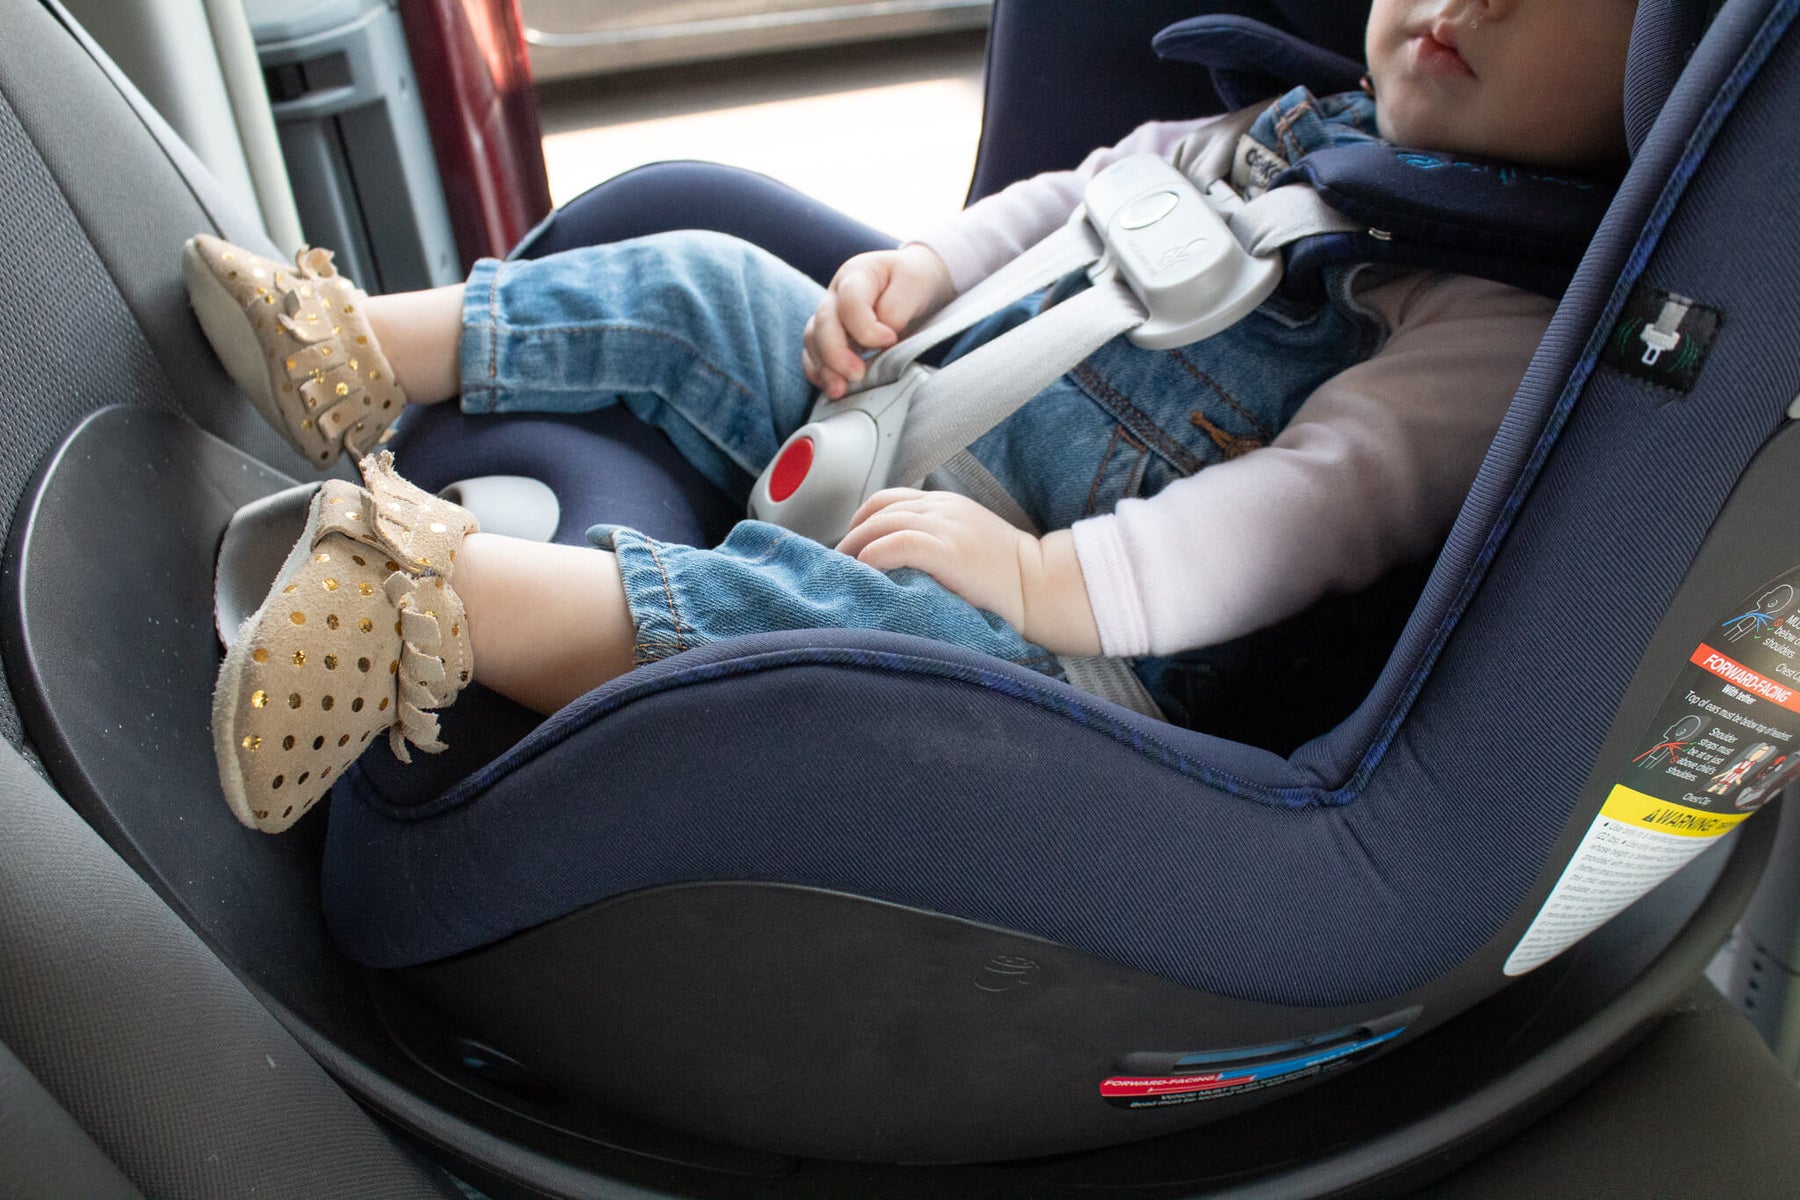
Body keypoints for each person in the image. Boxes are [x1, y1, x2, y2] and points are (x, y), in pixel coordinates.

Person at [193, 0, 1641, 832]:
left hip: (1066, 641)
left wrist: (1038, 582)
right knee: (709, 280)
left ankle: (418, 598)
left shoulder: (1497, 322)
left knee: (832, 630)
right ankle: (355, 351)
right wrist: (917, 274)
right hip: (930, 408)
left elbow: (1317, 506)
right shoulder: (1281, 128)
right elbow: (1076, 198)